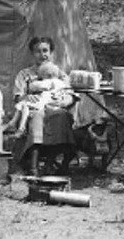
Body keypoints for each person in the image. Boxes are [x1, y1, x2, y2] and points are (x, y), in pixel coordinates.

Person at [11, 37, 77, 175]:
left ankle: (50, 163)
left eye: (45, 50)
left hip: (55, 107)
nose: (42, 54)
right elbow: (17, 96)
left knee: (61, 116)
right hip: (34, 108)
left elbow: (70, 93)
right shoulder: (25, 74)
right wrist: (27, 96)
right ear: (32, 54)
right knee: (37, 117)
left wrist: (65, 101)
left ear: (51, 52)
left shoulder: (58, 73)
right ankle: (34, 167)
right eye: (37, 51)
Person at [5, 61, 76, 138]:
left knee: (25, 106)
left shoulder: (49, 82)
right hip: (52, 102)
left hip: (44, 102)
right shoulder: (61, 83)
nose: (41, 78)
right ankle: (14, 124)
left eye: (42, 76)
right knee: (24, 105)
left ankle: (20, 127)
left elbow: (35, 86)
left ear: (48, 75)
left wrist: (31, 84)